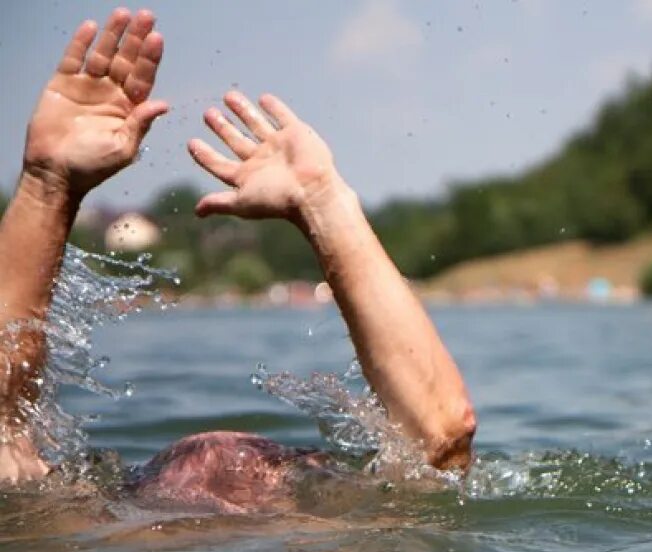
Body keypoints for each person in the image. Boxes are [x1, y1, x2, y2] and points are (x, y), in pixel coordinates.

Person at [0, 9, 476, 512]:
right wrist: (325, 204)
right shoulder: (334, 544)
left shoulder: (83, 525)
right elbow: (440, 443)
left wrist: (47, 188)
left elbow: (4, 431)